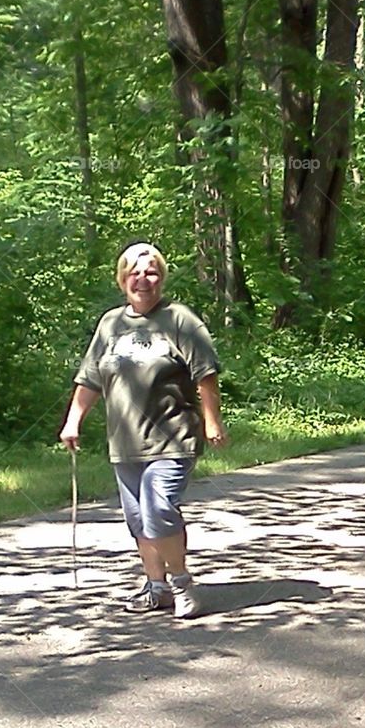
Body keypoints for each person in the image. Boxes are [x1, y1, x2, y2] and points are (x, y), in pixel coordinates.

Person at [58, 241, 228, 617]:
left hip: (173, 435)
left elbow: (206, 374)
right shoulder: (110, 324)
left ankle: (183, 585)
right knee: (137, 518)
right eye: (134, 273)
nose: (143, 279)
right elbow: (90, 379)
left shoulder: (180, 319)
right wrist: (73, 421)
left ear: (161, 277)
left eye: (151, 272)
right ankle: (156, 587)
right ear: (122, 280)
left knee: (158, 509)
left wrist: (212, 421)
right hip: (125, 440)